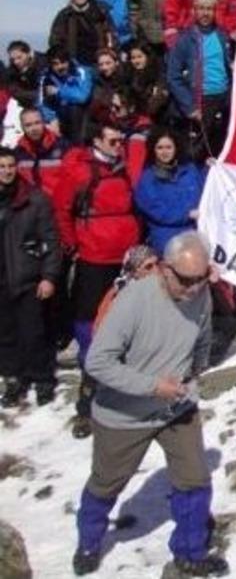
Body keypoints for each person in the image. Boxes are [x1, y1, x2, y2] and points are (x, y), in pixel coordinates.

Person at [73, 231, 228, 577]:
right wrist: (153, 386)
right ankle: (89, 542)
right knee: (106, 483)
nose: (193, 288)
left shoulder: (200, 292)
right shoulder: (133, 301)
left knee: (194, 480)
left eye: (201, 278)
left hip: (177, 406)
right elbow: (98, 361)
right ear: (164, 269)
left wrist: (196, 369)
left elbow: (202, 335)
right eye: (186, 280)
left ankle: (190, 552)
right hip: (124, 414)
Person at [52, 121, 140, 438]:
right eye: (113, 141)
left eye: (120, 141)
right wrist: (73, 245)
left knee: (130, 322)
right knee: (89, 321)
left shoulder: (124, 169)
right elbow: (62, 209)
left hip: (126, 258)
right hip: (94, 257)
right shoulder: (80, 172)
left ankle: (128, 391)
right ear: (97, 142)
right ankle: (88, 397)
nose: (118, 145)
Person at [0, 145, 62, 407]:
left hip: (28, 276)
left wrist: (49, 276)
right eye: (2, 167)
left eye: (10, 166)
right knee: (5, 335)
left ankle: (43, 378)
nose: (7, 171)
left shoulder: (34, 199)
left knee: (34, 332)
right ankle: (14, 378)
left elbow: (51, 239)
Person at [167, 0, 233, 162]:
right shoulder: (185, 39)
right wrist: (189, 107)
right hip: (200, 99)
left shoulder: (222, 35)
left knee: (220, 147)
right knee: (197, 150)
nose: (205, 13)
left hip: (223, 98)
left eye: (209, 9)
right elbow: (173, 76)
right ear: (194, 11)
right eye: (201, 9)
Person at [134, 127, 205, 256]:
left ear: (176, 148)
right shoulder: (147, 179)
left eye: (168, 147)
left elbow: (206, 190)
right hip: (167, 240)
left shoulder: (190, 170)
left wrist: (212, 169)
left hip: (195, 236)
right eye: (160, 148)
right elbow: (156, 210)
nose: (164, 152)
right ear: (153, 150)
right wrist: (186, 214)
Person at [49, 0, 116, 67]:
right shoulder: (64, 15)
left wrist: (110, 53)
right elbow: (55, 41)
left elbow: (112, 34)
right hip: (74, 63)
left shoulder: (100, 11)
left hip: (100, 63)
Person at [37, 46, 94, 144]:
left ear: (69, 60)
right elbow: (41, 102)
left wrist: (59, 92)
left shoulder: (81, 71)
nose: (60, 67)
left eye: (63, 62)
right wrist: (51, 118)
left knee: (74, 108)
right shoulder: (46, 77)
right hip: (59, 115)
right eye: (55, 64)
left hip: (83, 114)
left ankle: (78, 146)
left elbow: (82, 97)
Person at [15, 107, 69, 197]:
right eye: (28, 125)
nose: (34, 128)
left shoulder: (63, 147)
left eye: (37, 123)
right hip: (29, 202)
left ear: (43, 122)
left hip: (57, 201)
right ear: (22, 127)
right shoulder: (18, 152)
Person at [125, 43, 170, 126]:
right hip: (140, 120)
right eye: (133, 58)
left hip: (161, 119)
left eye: (140, 57)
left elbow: (157, 102)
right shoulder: (130, 77)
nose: (136, 61)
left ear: (147, 57)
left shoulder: (158, 75)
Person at [5, 41, 46, 110]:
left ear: (29, 53)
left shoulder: (43, 63)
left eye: (19, 57)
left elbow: (43, 92)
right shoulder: (13, 67)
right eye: (12, 59)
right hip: (26, 105)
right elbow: (11, 87)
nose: (16, 62)